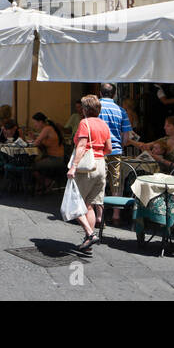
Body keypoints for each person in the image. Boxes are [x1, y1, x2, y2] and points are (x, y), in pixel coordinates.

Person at [67, 94, 111, 251]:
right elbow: (109, 149)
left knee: (74, 203)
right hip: (100, 165)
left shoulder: (84, 123)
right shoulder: (104, 124)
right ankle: (88, 243)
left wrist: (74, 166)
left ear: (85, 109)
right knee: (89, 205)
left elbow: (82, 145)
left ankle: (90, 234)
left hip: (87, 166)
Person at [98, 83, 139, 221]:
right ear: (114, 94)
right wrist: (119, 144)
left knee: (100, 181)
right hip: (115, 151)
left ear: (100, 93)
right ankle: (116, 214)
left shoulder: (95, 109)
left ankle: (99, 215)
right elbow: (126, 137)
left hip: (99, 151)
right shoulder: (121, 110)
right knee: (116, 182)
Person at [30, 112, 67, 194]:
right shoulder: (50, 128)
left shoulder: (47, 129)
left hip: (55, 159)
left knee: (31, 166)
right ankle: (44, 182)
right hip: (56, 158)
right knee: (35, 162)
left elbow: (36, 143)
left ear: (40, 122)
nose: (35, 125)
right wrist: (35, 139)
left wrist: (33, 140)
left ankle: (47, 182)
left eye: (35, 123)